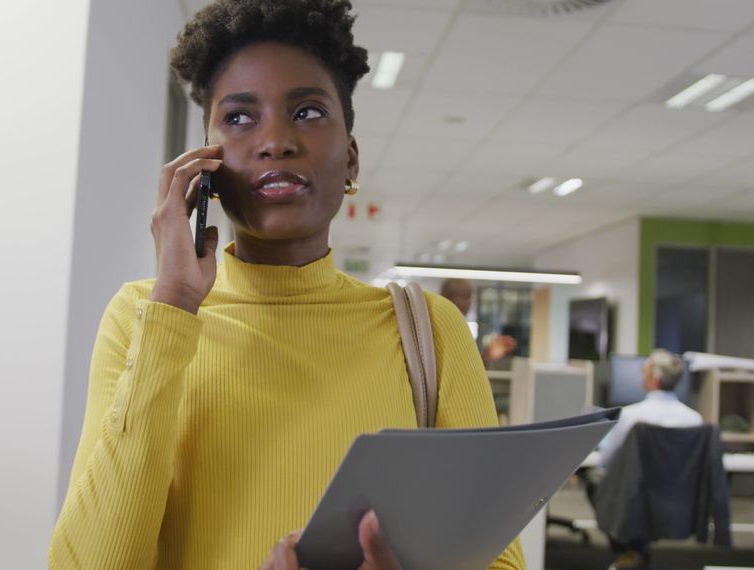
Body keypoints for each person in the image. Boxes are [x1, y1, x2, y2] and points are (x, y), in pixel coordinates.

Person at [48, 1, 525, 568]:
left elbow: (498, 558)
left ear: (350, 160)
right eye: (240, 118)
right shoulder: (141, 317)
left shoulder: (428, 330)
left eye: (308, 112)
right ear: (205, 166)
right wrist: (173, 305)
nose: (275, 141)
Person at [592, 349, 702, 570]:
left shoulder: (632, 416)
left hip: (634, 499)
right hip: (674, 499)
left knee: (595, 482)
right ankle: (636, 552)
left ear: (656, 378)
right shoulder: (695, 420)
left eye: (645, 370)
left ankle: (630, 550)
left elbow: (605, 461)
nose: (642, 374)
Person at [439, 278, 517, 362]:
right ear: (446, 298)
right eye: (463, 297)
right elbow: (461, 366)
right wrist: (488, 355)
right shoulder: (444, 328)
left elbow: (467, 363)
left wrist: (488, 355)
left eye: (469, 297)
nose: (468, 303)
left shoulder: (460, 328)